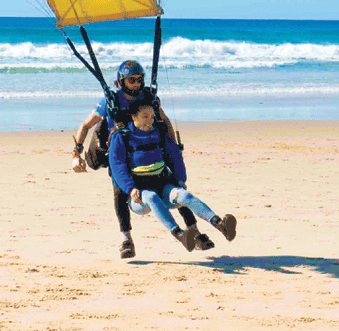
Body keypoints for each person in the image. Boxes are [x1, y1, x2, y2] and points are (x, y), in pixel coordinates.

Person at [69, 59, 207, 257]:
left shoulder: (149, 97)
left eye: (139, 79)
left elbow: (165, 120)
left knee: (174, 186)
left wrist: (173, 149)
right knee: (120, 192)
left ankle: (195, 232)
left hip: (150, 149)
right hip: (120, 155)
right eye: (131, 80)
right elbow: (85, 125)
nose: (135, 84)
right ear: (121, 81)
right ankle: (126, 240)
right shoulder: (110, 100)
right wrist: (77, 153)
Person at [109, 102, 237, 252]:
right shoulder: (121, 137)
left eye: (152, 117)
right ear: (133, 117)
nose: (150, 121)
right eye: (145, 116)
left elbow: (175, 157)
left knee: (184, 195)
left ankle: (220, 224)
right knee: (151, 197)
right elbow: (117, 166)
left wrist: (181, 180)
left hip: (162, 186)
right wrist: (130, 189)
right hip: (139, 196)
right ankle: (180, 234)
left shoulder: (159, 133)